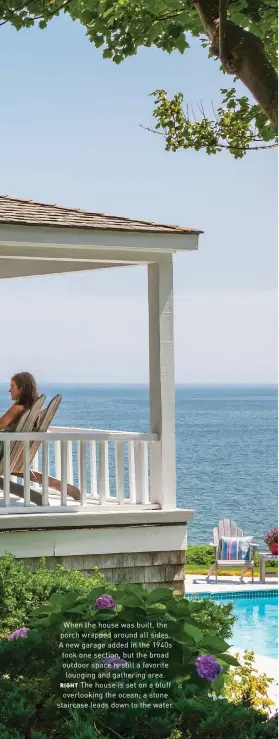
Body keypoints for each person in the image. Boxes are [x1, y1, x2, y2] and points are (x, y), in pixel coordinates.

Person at [0, 372, 39, 460]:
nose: (9, 390)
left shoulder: (18, 408)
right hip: (16, 456)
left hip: (4, 452)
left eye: (12, 386)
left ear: (22, 388)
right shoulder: (30, 408)